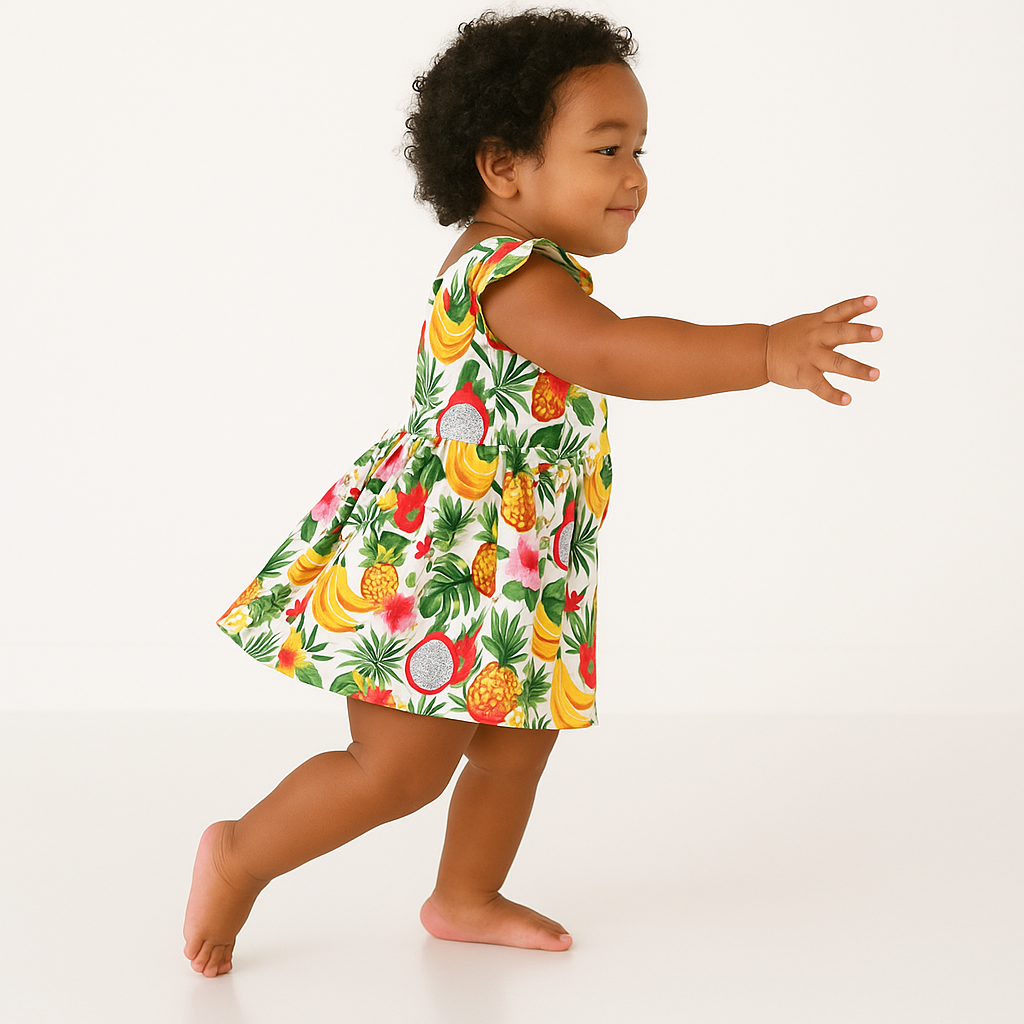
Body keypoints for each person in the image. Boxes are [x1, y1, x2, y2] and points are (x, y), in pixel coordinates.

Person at [184, 8, 882, 978]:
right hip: (442, 558)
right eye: (606, 148)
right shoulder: (507, 274)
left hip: (520, 560)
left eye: (639, 150)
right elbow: (612, 352)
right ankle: (240, 854)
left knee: (518, 743)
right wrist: (760, 350)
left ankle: (465, 896)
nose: (634, 175)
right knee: (399, 770)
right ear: (503, 167)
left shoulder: (543, 268)